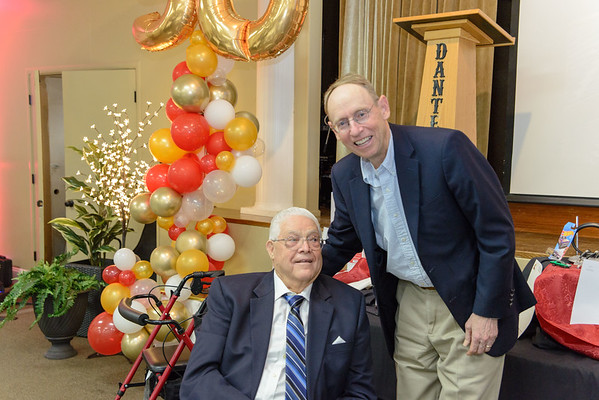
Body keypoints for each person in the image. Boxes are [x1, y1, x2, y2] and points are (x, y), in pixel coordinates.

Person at [320, 73, 536, 399]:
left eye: (361, 114)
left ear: (383, 107)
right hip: (407, 303)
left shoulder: (445, 149)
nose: (355, 129)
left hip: (468, 300)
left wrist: (487, 311)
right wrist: (294, 278)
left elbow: (495, 233)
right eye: (343, 123)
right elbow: (341, 241)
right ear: (335, 131)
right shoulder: (345, 173)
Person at [180, 207, 376, 400]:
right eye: (292, 240)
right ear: (271, 249)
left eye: (314, 239)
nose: (305, 248)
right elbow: (198, 377)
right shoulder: (230, 295)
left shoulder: (348, 303)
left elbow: (361, 392)